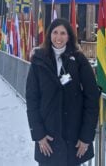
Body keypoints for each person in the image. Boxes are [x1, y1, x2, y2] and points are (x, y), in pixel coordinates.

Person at [26, 18, 100, 166]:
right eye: (55, 32)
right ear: (49, 35)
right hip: (48, 136)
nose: (58, 37)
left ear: (69, 36)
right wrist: (39, 134)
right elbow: (32, 99)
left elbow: (92, 98)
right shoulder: (38, 60)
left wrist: (86, 137)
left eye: (63, 33)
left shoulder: (79, 60)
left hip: (73, 136)